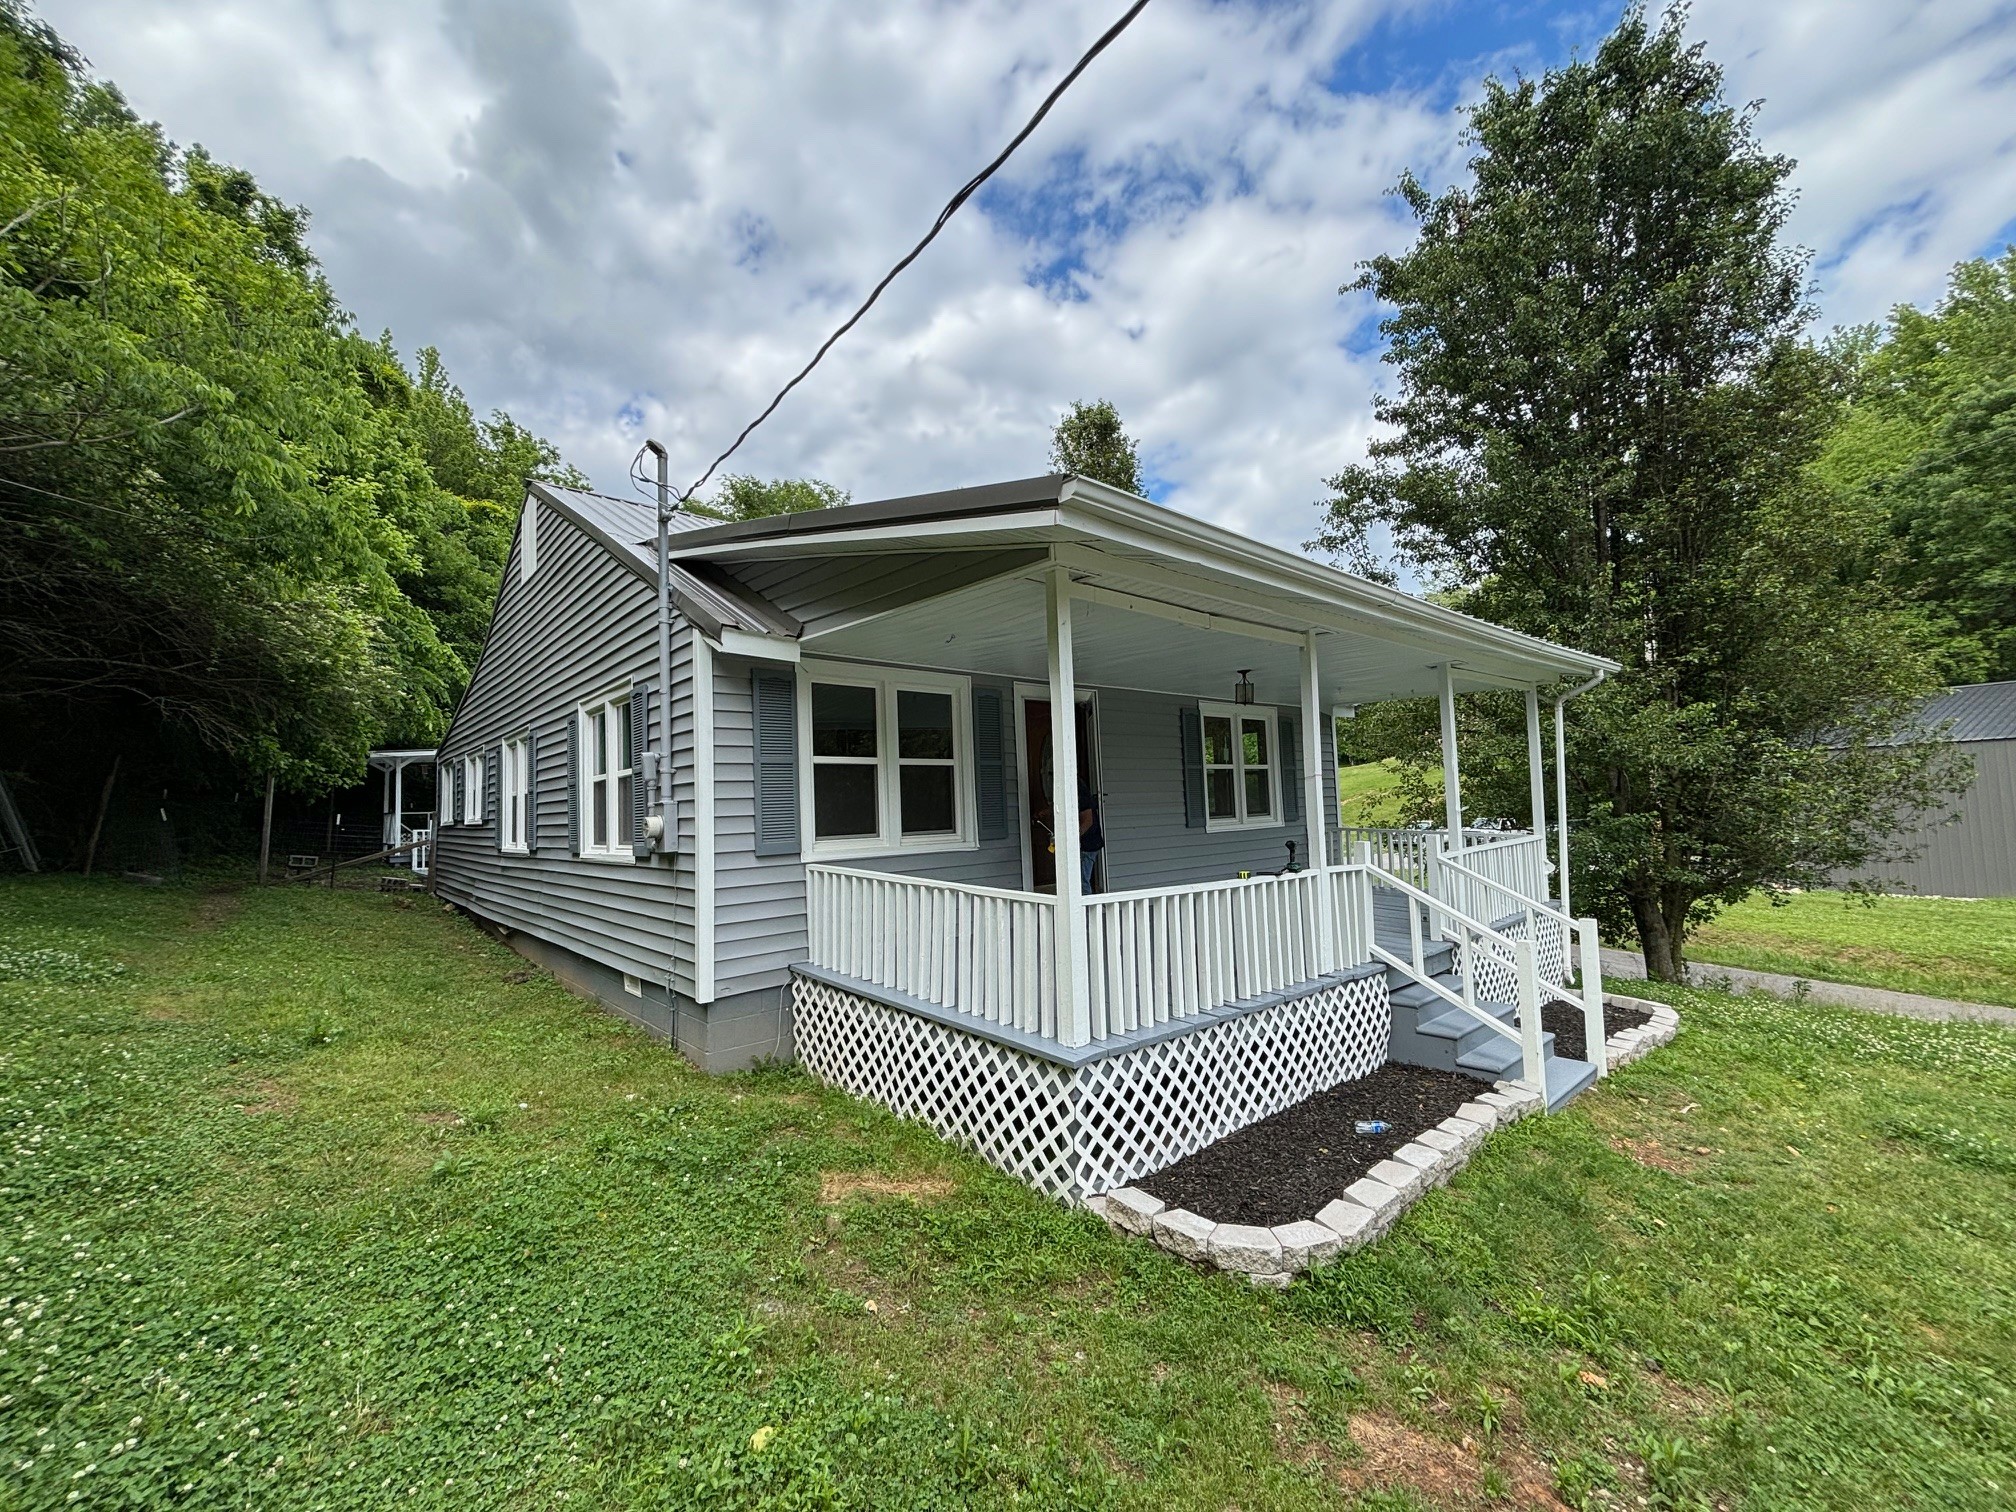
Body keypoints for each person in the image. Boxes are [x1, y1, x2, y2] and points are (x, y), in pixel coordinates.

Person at [1076, 774, 1104, 893]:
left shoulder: (1083, 798)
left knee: (1082, 880)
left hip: (1089, 844)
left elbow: (1088, 821)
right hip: (1091, 843)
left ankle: (1086, 903)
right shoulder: (1082, 797)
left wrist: (1075, 837)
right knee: (1081, 878)